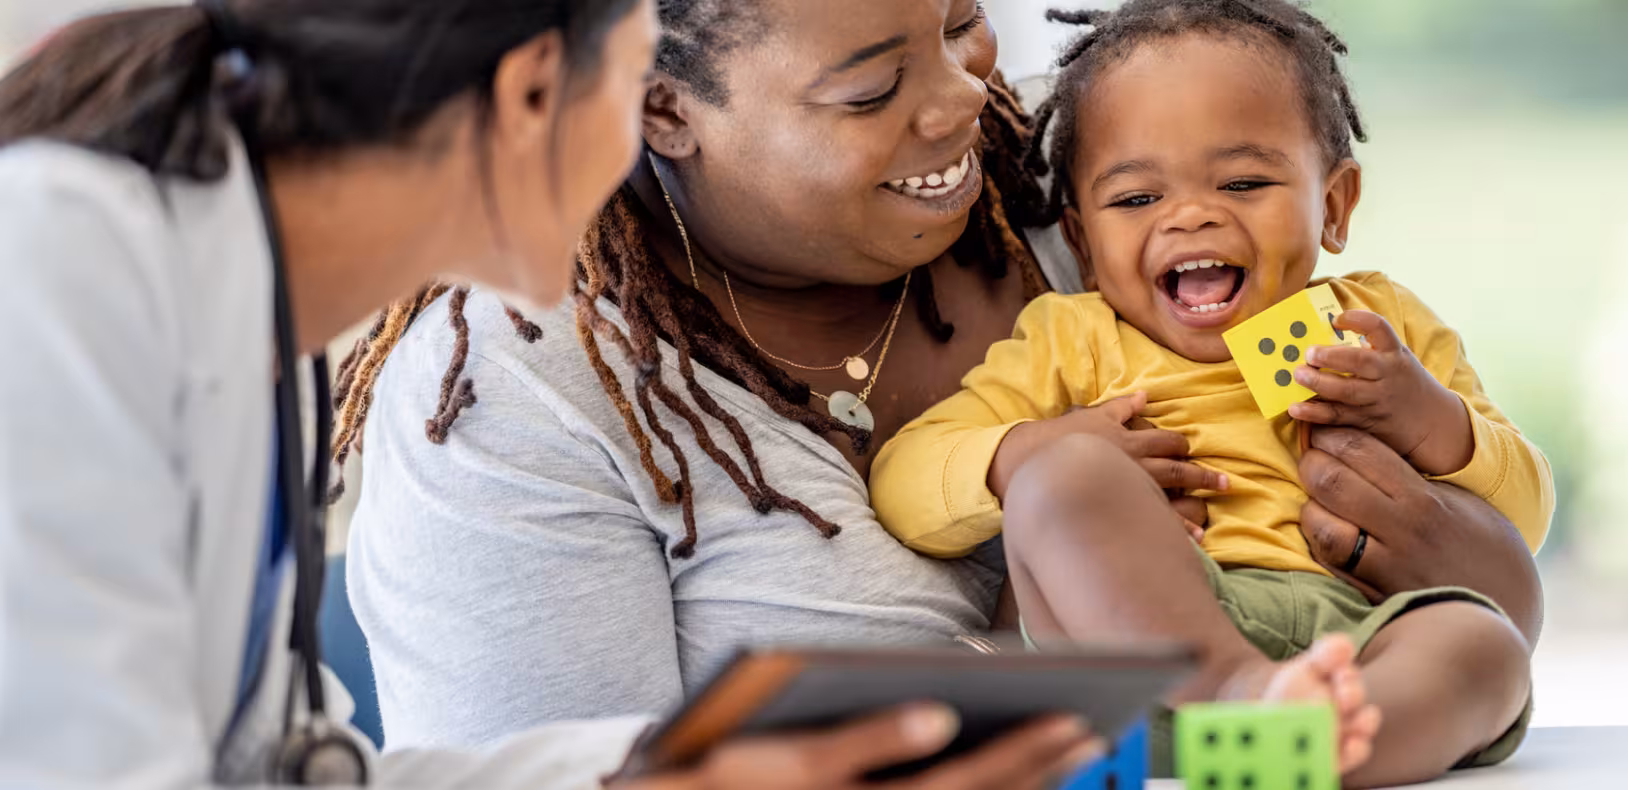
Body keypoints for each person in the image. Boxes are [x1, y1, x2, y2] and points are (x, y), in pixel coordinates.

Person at [336, 0, 1549, 765]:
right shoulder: (524, 390)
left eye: (962, 20)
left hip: (1319, 680)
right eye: (868, 87)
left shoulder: (1096, 219)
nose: (964, 99)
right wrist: (1034, 462)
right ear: (662, 108)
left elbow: (1496, 570)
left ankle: (1295, 737)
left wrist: (1440, 511)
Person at [0, 1, 1096, 787]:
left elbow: (285, 770)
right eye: (633, 89)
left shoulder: (249, 321)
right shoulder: (61, 273)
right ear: (535, 92)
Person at [869, 1, 1546, 785]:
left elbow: (1523, 511)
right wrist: (1029, 453)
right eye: (1135, 200)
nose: (1191, 215)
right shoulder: (1072, 337)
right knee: (1063, 481)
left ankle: (1317, 747)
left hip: (1357, 642)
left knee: (1483, 642)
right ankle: (1242, 695)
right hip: (1146, 657)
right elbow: (905, 481)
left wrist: (1430, 419)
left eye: (1244, 181)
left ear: (1333, 205)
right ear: (1084, 244)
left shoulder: (1376, 327)